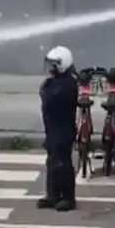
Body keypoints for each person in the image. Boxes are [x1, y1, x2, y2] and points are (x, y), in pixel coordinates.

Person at [39, 45, 78, 212]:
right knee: (52, 161)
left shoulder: (67, 85)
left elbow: (48, 96)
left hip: (63, 131)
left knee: (62, 163)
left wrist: (45, 88)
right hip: (53, 129)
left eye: (54, 65)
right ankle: (53, 194)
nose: (50, 68)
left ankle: (68, 198)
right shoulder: (56, 83)